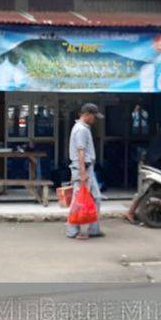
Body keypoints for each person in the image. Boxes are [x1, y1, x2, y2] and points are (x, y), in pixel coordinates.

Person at [66, 103, 104, 240]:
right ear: (87, 114)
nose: (95, 120)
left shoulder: (82, 128)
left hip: (87, 168)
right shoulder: (81, 129)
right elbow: (80, 151)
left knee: (96, 198)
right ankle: (78, 231)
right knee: (80, 200)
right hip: (83, 168)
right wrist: (83, 173)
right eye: (94, 116)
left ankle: (93, 229)